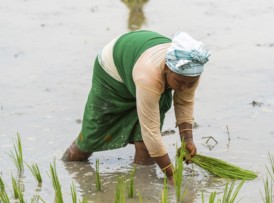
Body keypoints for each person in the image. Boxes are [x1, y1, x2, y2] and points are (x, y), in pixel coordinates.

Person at [62, 30, 211, 185]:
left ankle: (141, 189)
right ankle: (67, 166)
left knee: (145, 145)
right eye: (179, 82)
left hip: (144, 67)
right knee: (92, 134)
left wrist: (187, 139)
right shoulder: (149, 77)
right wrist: (171, 173)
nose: (185, 87)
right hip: (113, 70)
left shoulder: (190, 72)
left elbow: (184, 102)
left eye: (191, 83)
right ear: (167, 68)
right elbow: (151, 132)